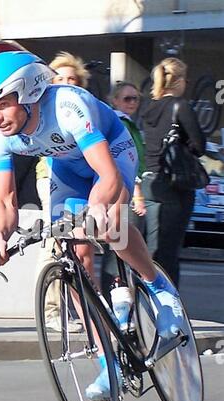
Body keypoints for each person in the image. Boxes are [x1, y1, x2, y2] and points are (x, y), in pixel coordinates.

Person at [0, 50, 186, 401]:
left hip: (112, 151)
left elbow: (107, 175)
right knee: (67, 249)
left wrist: (99, 209)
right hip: (66, 167)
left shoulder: (67, 105)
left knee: (109, 225)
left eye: (2, 105)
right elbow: (6, 201)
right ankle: (108, 362)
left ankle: (158, 287)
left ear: (28, 93)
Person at [35, 51, 91, 333]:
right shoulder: (46, 110)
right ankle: (52, 311)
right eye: (59, 78)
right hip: (51, 179)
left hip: (78, 184)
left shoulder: (82, 111)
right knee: (55, 242)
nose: (66, 83)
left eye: (72, 79)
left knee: (80, 247)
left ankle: (84, 309)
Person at [141, 57, 206, 287]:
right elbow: (199, 146)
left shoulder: (149, 109)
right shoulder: (181, 105)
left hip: (151, 181)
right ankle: (167, 306)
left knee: (152, 247)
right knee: (168, 252)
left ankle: (144, 299)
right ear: (178, 81)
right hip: (175, 185)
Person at [101, 81, 147, 302]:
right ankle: (117, 294)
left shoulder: (130, 123)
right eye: (127, 98)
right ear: (115, 100)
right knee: (119, 240)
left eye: (136, 99)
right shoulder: (121, 123)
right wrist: (137, 193)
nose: (133, 103)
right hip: (121, 187)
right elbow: (126, 159)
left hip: (124, 185)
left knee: (119, 240)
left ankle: (123, 293)